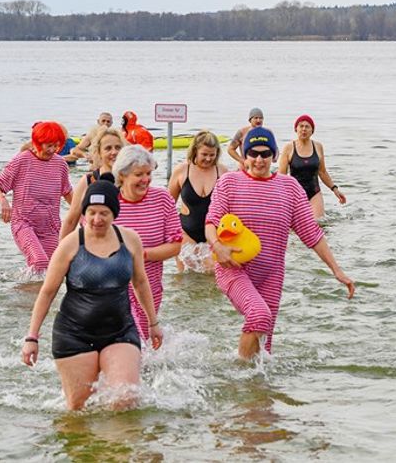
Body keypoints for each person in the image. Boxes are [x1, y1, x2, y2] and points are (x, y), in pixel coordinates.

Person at [206, 127, 354, 359]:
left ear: (274, 155)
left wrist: (337, 270)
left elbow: (312, 233)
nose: (259, 159)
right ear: (244, 155)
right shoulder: (229, 183)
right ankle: (239, 373)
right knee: (259, 316)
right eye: (253, 153)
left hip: (272, 273)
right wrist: (217, 246)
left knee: (266, 342)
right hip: (233, 268)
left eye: (265, 154)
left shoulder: (289, 188)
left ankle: (257, 390)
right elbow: (211, 222)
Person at [21, 177, 162, 411]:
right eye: (91, 212)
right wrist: (32, 337)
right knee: (79, 408)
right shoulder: (70, 244)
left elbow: (140, 282)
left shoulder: (130, 240)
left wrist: (153, 323)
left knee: (126, 399)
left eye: (104, 213)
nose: (96, 219)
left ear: (114, 213)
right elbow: (47, 292)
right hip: (74, 334)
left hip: (120, 331)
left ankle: (116, 447)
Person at [113, 145, 182, 338]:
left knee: (142, 340)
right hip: (114, 287)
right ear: (122, 175)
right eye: (138, 174)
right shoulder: (109, 202)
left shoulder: (162, 199)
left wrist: (141, 255)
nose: (145, 180)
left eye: (148, 173)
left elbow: (176, 245)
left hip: (149, 288)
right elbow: (90, 242)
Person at [0, 121, 73, 273]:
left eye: (56, 145)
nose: (53, 150)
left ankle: (27, 294)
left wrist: (83, 214)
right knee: (39, 262)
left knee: (52, 269)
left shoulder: (60, 164)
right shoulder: (22, 160)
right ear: (38, 142)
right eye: (49, 145)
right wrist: (3, 201)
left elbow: (67, 193)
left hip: (50, 227)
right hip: (23, 223)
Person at [168, 130, 229, 271]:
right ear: (195, 151)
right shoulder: (182, 171)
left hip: (213, 233)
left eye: (212, 155)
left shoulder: (223, 172)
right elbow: (168, 205)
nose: (208, 159)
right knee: (184, 278)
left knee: (212, 276)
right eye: (204, 154)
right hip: (186, 231)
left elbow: (232, 206)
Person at [60, 127, 125, 239]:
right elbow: (71, 220)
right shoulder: (88, 180)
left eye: (118, 147)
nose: (114, 152)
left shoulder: (130, 179)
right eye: (108, 148)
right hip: (92, 244)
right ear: (99, 152)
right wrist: (60, 252)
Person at [277, 114, 346, 219]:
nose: (304, 129)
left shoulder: (318, 147)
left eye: (307, 126)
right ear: (296, 129)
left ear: (312, 131)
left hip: (314, 193)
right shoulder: (289, 148)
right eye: (301, 126)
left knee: (317, 224)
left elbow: (322, 172)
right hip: (295, 195)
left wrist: (335, 189)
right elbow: (282, 176)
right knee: (295, 229)